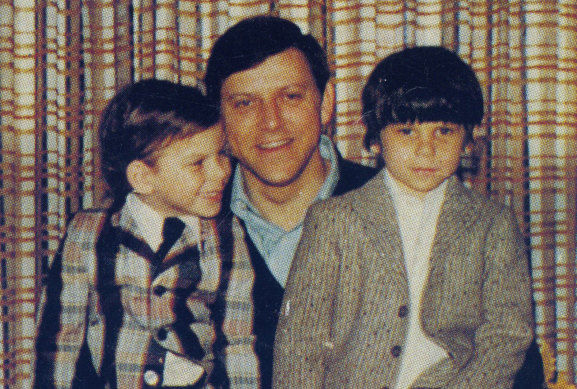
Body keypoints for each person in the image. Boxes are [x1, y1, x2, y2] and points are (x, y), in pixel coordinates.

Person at [273, 46, 535, 388]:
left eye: (444, 131)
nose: (426, 149)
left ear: (468, 140)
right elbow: (300, 341)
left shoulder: (492, 223)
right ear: (376, 138)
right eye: (406, 132)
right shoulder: (333, 219)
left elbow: (507, 333)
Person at [204, 16, 378, 388]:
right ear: (219, 120)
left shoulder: (397, 207)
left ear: (326, 102)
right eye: (245, 103)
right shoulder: (185, 220)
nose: (271, 122)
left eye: (291, 96)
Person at [34, 79, 231, 389]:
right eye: (198, 163)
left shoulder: (227, 236)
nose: (221, 172)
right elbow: (60, 341)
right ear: (142, 177)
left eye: (221, 154)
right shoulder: (88, 234)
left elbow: (240, 341)